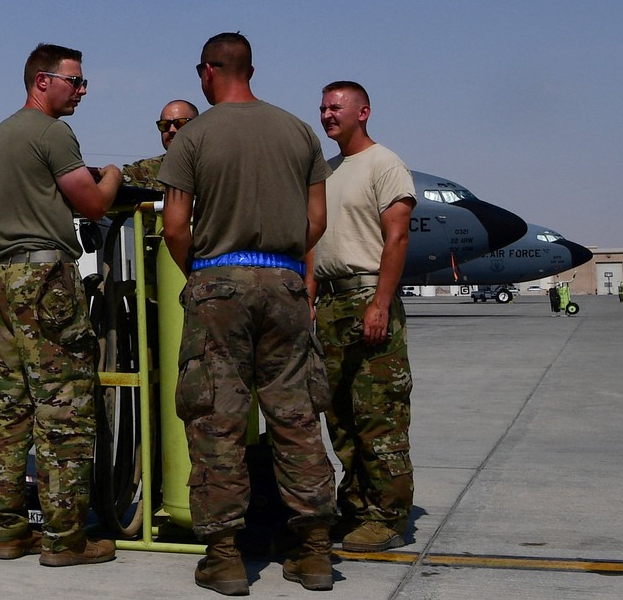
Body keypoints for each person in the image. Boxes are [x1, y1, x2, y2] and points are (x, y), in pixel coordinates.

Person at [159, 33, 336, 594]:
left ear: (209, 70)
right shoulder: (298, 131)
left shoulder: (193, 136)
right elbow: (316, 220)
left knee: (217, 419)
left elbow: (174, 226)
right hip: (285, 283)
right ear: (251, 70)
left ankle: (224, 556)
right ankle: (312, 552)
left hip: (219, 282)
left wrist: (206, 276)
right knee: (296, 415)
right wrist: (279, 267)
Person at [0, 43, 122, 567]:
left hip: (7, 277)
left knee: (9, 408)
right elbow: (94, 202)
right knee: (65, 411)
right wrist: (113, 173)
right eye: (75, 81)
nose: (82, 90)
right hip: (46, 279)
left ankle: (8, 532)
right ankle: (66, 540)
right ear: (43, 81)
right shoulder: (52, 133)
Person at [313, 81, 416, 554]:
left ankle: (389, 515)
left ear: (364, 112)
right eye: (323, 108)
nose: (328, 115)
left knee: (378, 413)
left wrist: (380, 303)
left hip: (367, 295)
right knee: (339, 415)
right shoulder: (328, 171)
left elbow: (396, 239)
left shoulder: (385, 164)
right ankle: (355, 507)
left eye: (336, 107)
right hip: (331, 305)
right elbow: (314, 241)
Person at [121, 99, 201, 191]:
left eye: (180, 123)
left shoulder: (215, 168)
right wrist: (112, 173)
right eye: (164, 125)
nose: (171, 130)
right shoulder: (143, 172)